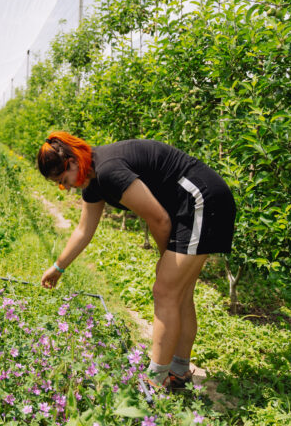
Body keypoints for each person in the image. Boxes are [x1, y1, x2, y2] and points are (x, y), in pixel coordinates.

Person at [37, 132, 235, 390]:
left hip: (200, 198)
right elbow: (83, 230)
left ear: (72, 162)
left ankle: (156, 378)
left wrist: (165, 260)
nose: (68, 187)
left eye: (64, 181)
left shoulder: (108, 170)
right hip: (191, 203)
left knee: (165, 290)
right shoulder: (94, 179)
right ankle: (178, 371)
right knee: (178, 292)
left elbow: (159, 219)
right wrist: (58, 267)